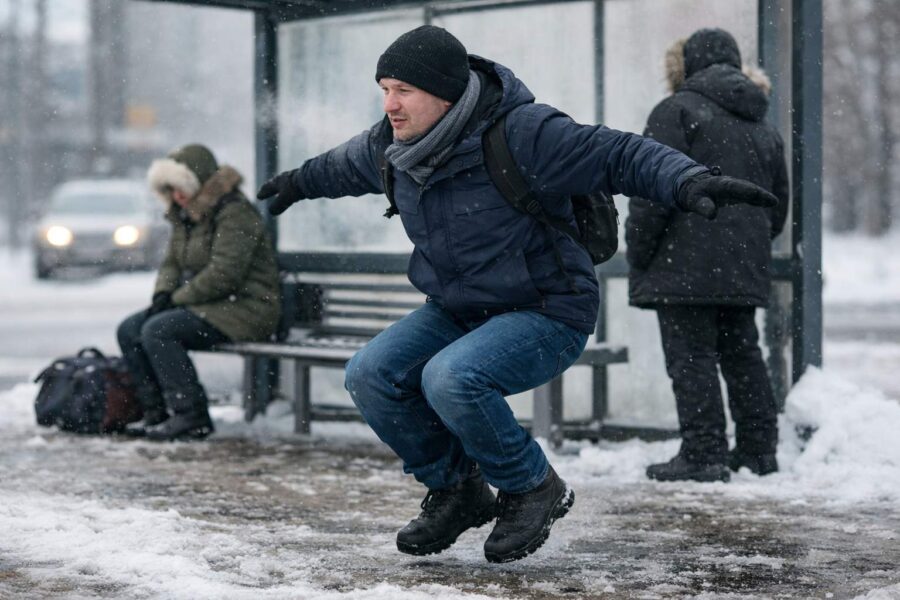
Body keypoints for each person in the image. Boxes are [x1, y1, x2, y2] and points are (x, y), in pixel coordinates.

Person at [257, 25, 777, 563]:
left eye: (403, 90)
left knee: (451, 377)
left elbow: (618, 154)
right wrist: (297, 181)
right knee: (369, 373)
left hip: (548, 309)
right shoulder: (393, 148)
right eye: (385, 89)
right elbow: (341, 166)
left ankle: (532, 486)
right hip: (459, 311)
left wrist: (686, 180)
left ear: (445, 93)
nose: (389, 104)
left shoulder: (523, 133)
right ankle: (458, 490)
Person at [626, 29, 789, 483]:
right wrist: (745, 246)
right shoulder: (762, 123)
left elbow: (651, 190)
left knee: (691, 358)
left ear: (687, 65)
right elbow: (776, 206)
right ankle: (759, 451)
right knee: (743, 356)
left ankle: (703, 453)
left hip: (682, 266)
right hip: (741, 268)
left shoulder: (676, 111)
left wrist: (640, 250)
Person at [117, 144, 281, 441]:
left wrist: (176, 299)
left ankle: (192, 415)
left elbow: (225, 274)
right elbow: (171, 263)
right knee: (130, 329)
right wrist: (162, 294)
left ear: (200, 183)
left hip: (248, 308)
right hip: (211, 305)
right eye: (170, 189)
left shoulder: (234, 213)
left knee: (159, 330)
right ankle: (155, 412)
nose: (177, 196)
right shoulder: (184, 216)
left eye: (180, 187)